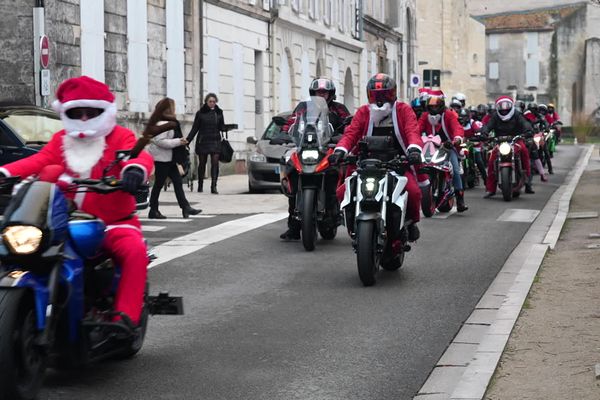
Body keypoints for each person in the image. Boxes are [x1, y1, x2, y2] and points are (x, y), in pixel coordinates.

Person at [0, 76, 155, 329]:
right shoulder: (61, 139)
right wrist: (4, 173)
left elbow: (138, 156)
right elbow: (37, 162)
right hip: (64, 223)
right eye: (76, 112)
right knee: (15, 247)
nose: (83, 118)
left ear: (103, 111)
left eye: (90, 112)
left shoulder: (121, 137)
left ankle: (124, 318)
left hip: (113, 224)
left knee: (135, 252)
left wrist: (134, 170)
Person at [328, 73, 423, 242]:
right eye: (376, 95)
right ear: (369, 96)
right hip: (366, 165)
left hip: (397, 164)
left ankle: (410, 224)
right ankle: (352, 225)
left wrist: (414, 150)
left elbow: (412, 131)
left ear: (393, 94)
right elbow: (351, 133)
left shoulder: (403, 110)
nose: (380, 100)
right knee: (342, 192)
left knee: (414, 192)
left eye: (384, 95)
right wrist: (340, 151)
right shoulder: (363, 112)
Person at [279, 78, 350, 240]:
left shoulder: (338, 109)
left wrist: (344, 134)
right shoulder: (304, 107)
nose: (322, 94)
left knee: (335, 172)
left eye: (324, 92)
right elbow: (293, 120)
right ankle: (294, 226)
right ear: (313, 93)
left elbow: (349, 124)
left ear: (331, 94)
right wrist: (284, 132)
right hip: (305, 148)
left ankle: (333, 211)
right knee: (293, 174)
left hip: (328, 148)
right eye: (319, 92)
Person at [147, 98, 202, 219]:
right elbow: (159, 141)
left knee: (177, 182)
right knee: (159, 184)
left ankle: (185, 207)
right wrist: (178, 141)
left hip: (169, 158)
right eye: (173, 107)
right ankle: (153, 209)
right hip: (162, 159)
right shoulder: (162, 123)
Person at [418, 90, 469, 212]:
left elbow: (457, 128)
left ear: (441, 105)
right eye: (431, 106)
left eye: (436, 106)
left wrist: (456, 139)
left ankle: (460, 199)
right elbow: (417, 128)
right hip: (429, 147)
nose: (434, 108)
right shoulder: (425, 116)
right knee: (418, 166)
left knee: (456, 170)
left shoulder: (449, 114)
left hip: (447, 147)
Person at [480, 96, 534, 197]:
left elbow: (524, 123)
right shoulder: (495, 116)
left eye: (506, 106)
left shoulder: (517, 114)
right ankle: (490, 189)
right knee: (491, 160)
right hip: (500, 142)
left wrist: (528, 130)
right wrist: (484, 133)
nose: (504, 109)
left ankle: (527, 180)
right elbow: (488, 126)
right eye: (502, 107)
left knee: (524, 152)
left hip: (516, 140)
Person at [187, 93, 225, 194]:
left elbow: (221, 127)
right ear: (206, 102)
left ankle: (214, 186)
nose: (212, 103)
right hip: (203, 140)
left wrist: (227, 128)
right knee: (202, 164)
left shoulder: (219, 112)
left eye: (214, 101)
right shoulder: (200, 113)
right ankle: (200, 185)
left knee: (215, 163)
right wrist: (188, 140)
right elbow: (195, 128)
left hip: (215, 140)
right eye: (210, 101)